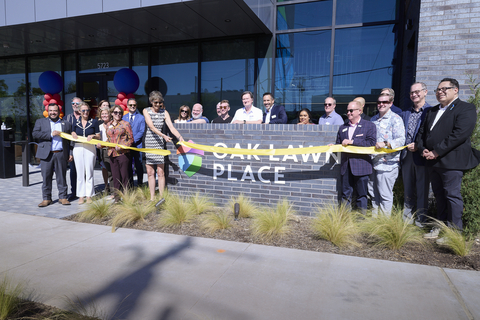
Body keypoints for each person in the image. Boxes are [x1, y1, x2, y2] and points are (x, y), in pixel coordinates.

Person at [416, 78, 479, 240]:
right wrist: (423, 150)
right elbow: (421, 134)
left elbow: (459, 134)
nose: (440, 92)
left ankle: (454, 234)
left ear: (455, 90)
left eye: (444, 89)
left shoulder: (466, 108)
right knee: (438, 195)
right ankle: (440, 227)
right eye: (438, 89)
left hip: (452, 161)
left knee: (452, 195)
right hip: (432, 161)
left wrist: (436, 151)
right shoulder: (431, 111)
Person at [334, 101, 376, 214]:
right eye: (347, 111)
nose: (348, 113)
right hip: (346, 166)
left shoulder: (369, 125)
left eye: (351, 110)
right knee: (345, 194)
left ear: (360, 111)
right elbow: (339, 144)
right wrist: (333, 147)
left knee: (361, 195)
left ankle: (361, 220)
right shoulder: (343, 127)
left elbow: (371, 143)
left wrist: (352, 141)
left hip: (361, 166)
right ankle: (344, 218)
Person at [400, 82, 432, 226]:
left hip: (422, 156)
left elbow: (432, 135)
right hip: (406, 156)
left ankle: (420, 220)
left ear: (425, 92)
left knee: (422, 189)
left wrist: (418, 146)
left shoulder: (432, 111)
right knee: (408, 188)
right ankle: (407, 220)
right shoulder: (405, 113)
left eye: (417, 92)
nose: (414, 94)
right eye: (412, 92)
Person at [143, 91, 184, 201]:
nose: (158, 105)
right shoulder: (145, 111)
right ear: (151, 101)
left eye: (160, 102)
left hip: (160, 144)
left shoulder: (164, 112)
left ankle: (161, 197)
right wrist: (164, 136)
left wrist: (179, 137)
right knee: (150, 173)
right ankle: (152, 198)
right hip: (149, 143)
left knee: (161, 172)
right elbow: (151, 127)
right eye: (155, 102)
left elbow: (171, 127)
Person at [369, 93, 405, 216]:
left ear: (390, 103)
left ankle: (384, 224)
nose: (381, 104)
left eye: (385, 102)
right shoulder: (373, 120)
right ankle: (374, 221)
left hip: (388, 164)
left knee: (385, 195)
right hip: (373, 163)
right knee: (373, 194)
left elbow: (401, 140)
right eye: (379, 102)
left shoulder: (396, 119)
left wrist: (385, 143)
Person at [32, 103, 73, 207]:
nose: (53, 113)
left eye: (55, 111)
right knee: (46, 177)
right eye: (50, 111)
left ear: (58, 112)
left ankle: (63, 197)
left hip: (60, 153)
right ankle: (46, 199)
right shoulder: (40, 122)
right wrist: (51, 134)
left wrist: (70, 153)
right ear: (48, 111)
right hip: (46, 154)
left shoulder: (66, 124)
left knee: (61, 177)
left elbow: (70, 141)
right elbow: (35, 134)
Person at [71, 102, 100, 204]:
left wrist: (93, 136)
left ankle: (89, 195)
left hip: (90, 147)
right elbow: (72, 132)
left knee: (89, 172)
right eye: (83, 110)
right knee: (80, 172)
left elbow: (99, 136)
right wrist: (73, 133)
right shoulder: (75, 122)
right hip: (78, 147)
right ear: (79, 111)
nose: (85, 112)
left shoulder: (94, 122)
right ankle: (81, 196)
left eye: (87, 110)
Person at [107, 105, 134, 202]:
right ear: (112, 113)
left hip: (123, 154)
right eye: (115, 112)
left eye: (120, 113)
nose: (118, 114)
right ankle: (117, 199)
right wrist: (101, 145)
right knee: (115, 177)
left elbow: (131, 139)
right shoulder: (108, 125)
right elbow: (108, 139)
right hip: (112, 154)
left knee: (125, 177)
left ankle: (127, 199)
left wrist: (122, 145)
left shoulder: (125, 124)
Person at [123, 98, 145, 187]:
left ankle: (140, 184)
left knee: (139, 166)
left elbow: (141, 131)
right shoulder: (124, 117)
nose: (132, 107)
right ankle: (130, 185)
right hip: (127, 147)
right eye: (130, 105)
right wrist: (126, 142)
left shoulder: (141, 117)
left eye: (134, 105)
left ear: (136, 106)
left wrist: (132, 141)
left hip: (137, 146)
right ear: (127, 106)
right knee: (128, 166)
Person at [64, 97, 82, 200]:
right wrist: (69, 152)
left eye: (77, 103)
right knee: (73, 171)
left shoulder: (85, 117)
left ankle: (83, 193)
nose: (75, 105)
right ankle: (74, 192)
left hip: (83, 148)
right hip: (71, 149)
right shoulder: (67, 118)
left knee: (83, 171)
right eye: (73, 103)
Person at [96, 102, 113, 195]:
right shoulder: (99, 126)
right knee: (105, 169)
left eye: (106, 113)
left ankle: (114, 189)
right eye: (102, 114)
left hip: (111, 150)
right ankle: (107, 187)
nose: (104, 115)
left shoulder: (113, 125)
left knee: (112, 171)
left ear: (110, 114)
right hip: (102, 151)